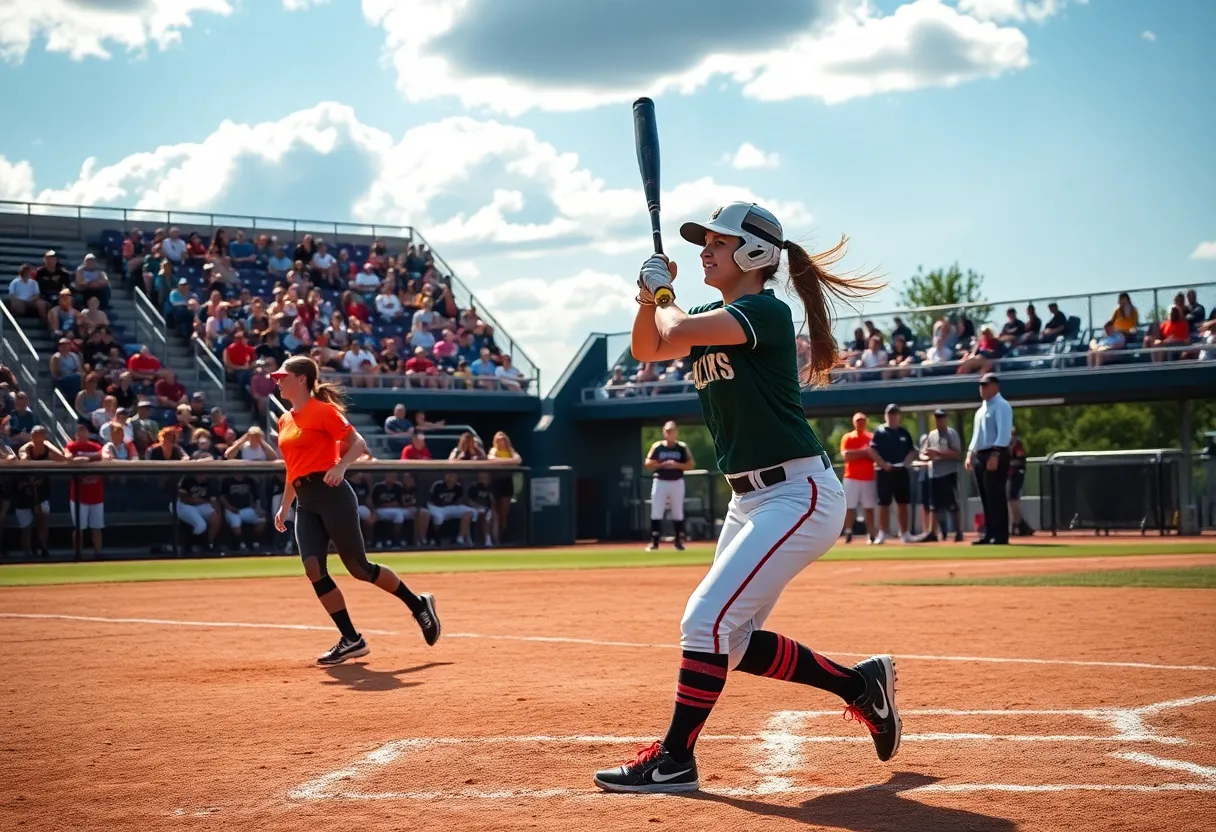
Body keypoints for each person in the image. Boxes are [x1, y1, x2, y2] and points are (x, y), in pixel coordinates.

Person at [593, 201, 899, 794]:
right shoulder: (714, 312)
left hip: (797, 492)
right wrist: (644, 297)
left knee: (702, 620)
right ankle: (858, 685)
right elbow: (649, 350)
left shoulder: (764, 311)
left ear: (755, 254)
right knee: (726, 643)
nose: (704, 251)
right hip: (751, 500)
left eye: (717, 243)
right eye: (703, 242)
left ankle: (675, 759)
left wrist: (663, 299)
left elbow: (674, 330)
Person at [270, 355, 440, 666]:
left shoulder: (322, 411)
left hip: (333, 495)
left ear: (302, 380)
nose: (278, 381)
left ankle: (418, 605)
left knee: (358, 568)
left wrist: (342, 466)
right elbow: (291, 469)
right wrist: (284, 506)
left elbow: (357, 442)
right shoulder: (285, 419)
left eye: (283, 376)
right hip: (305, 503)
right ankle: (352, 639)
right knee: (312, 569)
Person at [967, 372, 1014, 545]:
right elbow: (976, 434)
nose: (982, 389)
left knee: (996, 495)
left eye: (986, 385)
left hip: (995, 453)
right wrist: (970, 453)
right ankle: (989, 532)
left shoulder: (1001, 406)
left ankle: (1001, 534)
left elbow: (1004, 432)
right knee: (985, 496)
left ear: (995, 386)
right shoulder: (982, 409)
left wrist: (995, 454)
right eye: (981, 385)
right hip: (981, 454)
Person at [868, 404, 917, 543]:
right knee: (884, 503)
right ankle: (883, 533)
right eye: (890, 414)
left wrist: (906, 462)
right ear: (886, 415)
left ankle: (905, 533)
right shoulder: (880, 431)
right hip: (885, 472)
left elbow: (912, 451)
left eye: (895, 414)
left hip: (901, 472)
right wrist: (883, 464)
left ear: (899, 416)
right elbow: (872, 450)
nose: (892, 416)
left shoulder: (904, 432)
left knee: (903, 503)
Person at [644, 421, 695, 551]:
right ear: (663, 432)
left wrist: (676, 464)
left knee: (677, 511)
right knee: (657, 510)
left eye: (672, 431)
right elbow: (648, 463)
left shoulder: (681, 447)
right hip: (660, 481)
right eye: (667, 431)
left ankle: (678, 542)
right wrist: (662, 464)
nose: (670, 433)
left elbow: (690, 464)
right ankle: (654, 543)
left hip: (676, 481)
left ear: (676, 432)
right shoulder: (658, 446)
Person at [918, 409, 964, 543]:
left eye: (941, 417)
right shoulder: (932, 435)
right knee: (934, 506)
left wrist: (938, 454)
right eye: (937, 417)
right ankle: (932, 532)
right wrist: (926, 457)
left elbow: (957, 454)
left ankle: (958, 531)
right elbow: (922, 452)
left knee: (953, 504)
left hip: (949, 473)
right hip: (934, 474)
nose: (939, 420)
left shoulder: (951, 434)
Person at [839, 412, 877, 544]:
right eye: (858, 421)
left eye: (862, 420)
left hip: (868, 477)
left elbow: (873, 454)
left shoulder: (871, 437)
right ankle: (848, 531)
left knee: (869, 507)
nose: (860, 423)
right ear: (854, 422)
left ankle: (871, 533)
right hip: (851, 477)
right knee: (849, 507)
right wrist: (864, 453)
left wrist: (858, 454)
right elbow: (846, 456)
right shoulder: (848, 437)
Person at [1008, 428, 1033, 537]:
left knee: (1013, 498)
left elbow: (1020, 459)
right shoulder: (1005, 444)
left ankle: (1019, 524)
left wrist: (1008, 463)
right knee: (1011, 499)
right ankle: (1018, 524)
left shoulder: (1017, 443)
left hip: (1017, 473)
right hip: (1010, 475)